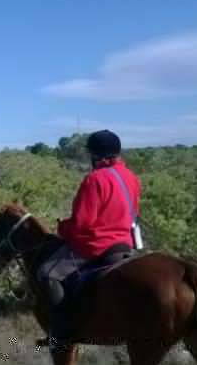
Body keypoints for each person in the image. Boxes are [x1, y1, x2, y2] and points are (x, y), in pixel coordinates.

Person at [42, 129, 142, 344]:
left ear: (96, 155)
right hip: (125, 243)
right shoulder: (131, 177)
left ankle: (61, 332)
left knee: (48, 274)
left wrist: (62, 228)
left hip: (97, 245)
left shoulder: (94, 179)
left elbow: (82, 223)